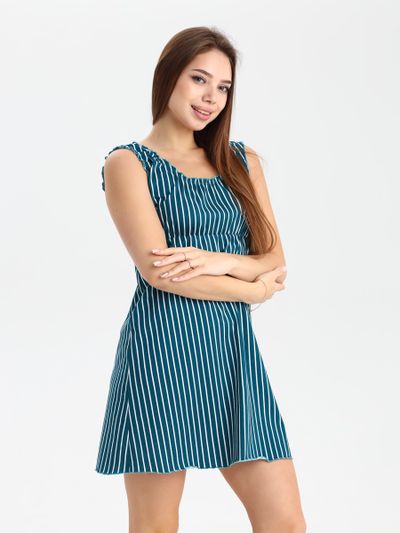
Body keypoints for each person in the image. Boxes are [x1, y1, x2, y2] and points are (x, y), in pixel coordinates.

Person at [95, 26, 306, 533]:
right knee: (155, 525)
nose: (211, 96)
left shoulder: (241, 161)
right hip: (161, 354)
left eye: (223, 86)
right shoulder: (128, 164)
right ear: (168, 76)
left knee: (284, 522)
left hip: (233, 355)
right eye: (199, 79)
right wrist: (254, 289)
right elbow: (162, 275)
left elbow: (274, 257)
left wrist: (214, 260)